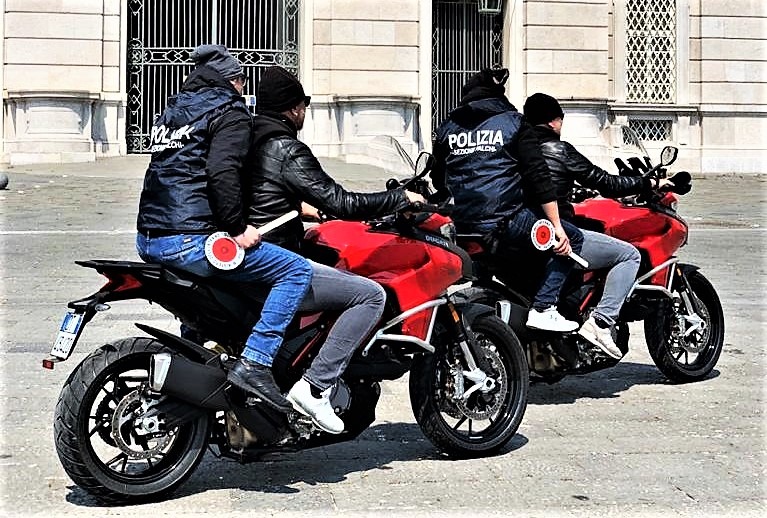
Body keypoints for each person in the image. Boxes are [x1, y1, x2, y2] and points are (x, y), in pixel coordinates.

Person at [247, 65, 425, 433]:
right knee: (370, 296)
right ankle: (315, 387)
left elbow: (259, 193)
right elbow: (341, 201)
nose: (305, 112)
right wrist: (399, 198)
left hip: (250, 255)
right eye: (304, 105)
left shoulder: (248, 139)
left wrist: (298, 208)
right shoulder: (286, 147)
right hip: (276, 260)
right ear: (292, 108)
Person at [135, 45, 313, 413]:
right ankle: (256, 363)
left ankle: (198, 362)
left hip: (150, 236)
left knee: (208, 296)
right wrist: (237, 227)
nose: (244, 88)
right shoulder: (229, 110)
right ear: (233, 81)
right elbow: (223, 171)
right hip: (188, 237)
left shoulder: (173, 110)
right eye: (242, 81)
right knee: (295, 270)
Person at [431, 68, 584, 333]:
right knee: (573, 237)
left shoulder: (448, 127)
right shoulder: (514, 123)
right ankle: (544, 308)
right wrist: (557, 226)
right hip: (505, 221)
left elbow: (438, 178)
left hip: (462, 224)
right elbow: (539, 178)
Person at [523, 92, 673, 358]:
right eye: (560, 120)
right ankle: (601, 324)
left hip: (524, 228)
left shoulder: (518, 149)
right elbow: (606, 182)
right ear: (554, 121)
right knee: (629, 255)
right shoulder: (559, 149)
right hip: (553, 230)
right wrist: (648, 182)